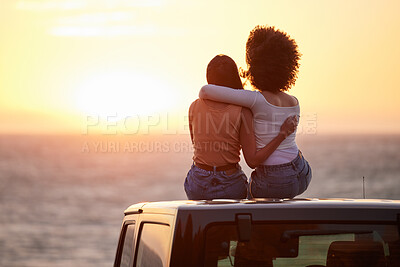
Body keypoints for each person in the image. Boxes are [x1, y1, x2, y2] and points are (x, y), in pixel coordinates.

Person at [199, 26, 312, 199]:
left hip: (274, 180)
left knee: (248, 194)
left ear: (257, 67)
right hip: (302, 172)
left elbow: (205, 91)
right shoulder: (294, 102)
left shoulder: (255, 100)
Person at [185, 54, 297, 200]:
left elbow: (196, 143)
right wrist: (282, 134)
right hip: (229, 183)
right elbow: (252, 161)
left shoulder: (194, 106)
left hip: (197, 182)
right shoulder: (242, 110)